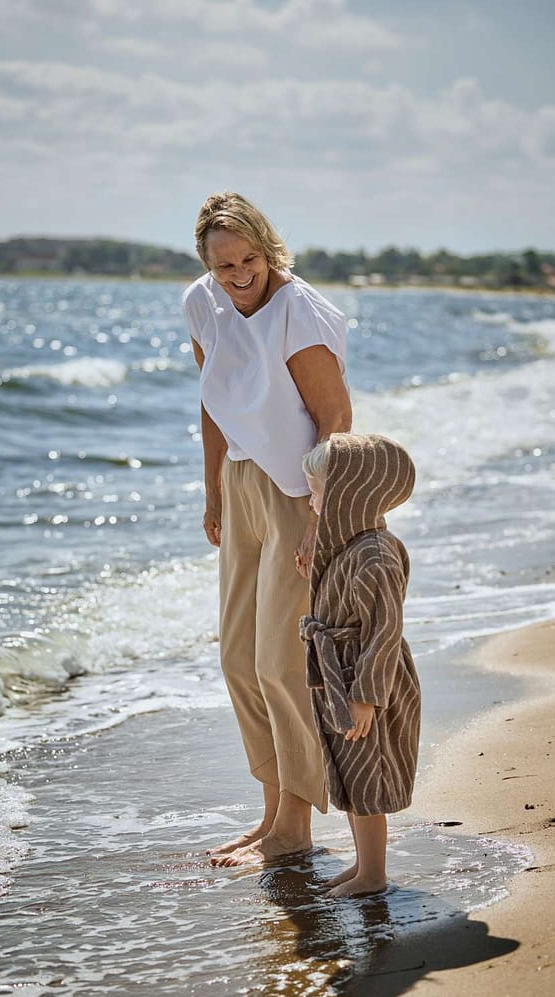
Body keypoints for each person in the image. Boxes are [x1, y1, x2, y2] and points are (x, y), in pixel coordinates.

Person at [183, 190, 352, 866]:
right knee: (238, 660)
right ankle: (270, 815)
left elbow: (335, 418)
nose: (239, 275)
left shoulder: (296, 310)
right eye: (224, 265)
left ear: (267, 248)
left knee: (281, 664)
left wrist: (319, 515)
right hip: (241, 484)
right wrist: (213, 492)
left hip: (298, 489)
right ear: (207, 265)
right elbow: (213, 402)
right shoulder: (202, 303)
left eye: (249, 259)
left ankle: (294, 829)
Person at [300, 433, 420, 896]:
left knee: (369, 773)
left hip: (370, 678)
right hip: (340, 674)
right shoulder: (349, 547)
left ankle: (373, 874)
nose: (311, 502)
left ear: (348, 495)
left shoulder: (375, 554)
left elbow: (385, 630)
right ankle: (361, 864)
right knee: (350, 772)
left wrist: (368, 696)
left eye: (317, 492)